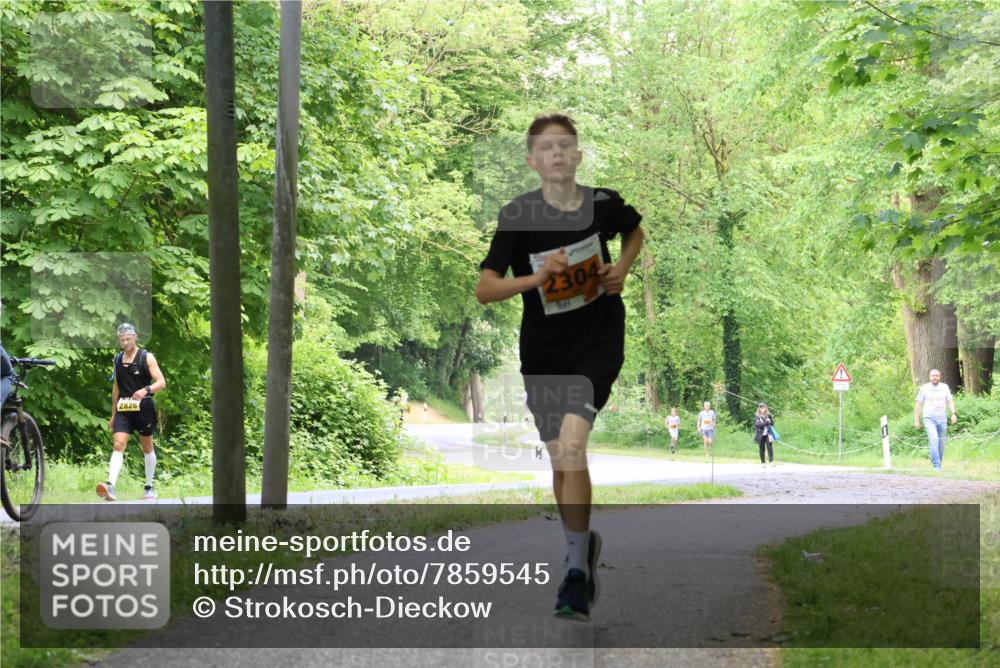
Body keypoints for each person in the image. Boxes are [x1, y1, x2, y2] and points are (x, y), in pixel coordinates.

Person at [476, 113, 644, 620]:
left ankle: (574, 574)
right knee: (560, 459)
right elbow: (486, 289)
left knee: (572, 445)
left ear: (576, 156)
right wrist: (535, 279)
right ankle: (581, 549)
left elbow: (635, 234)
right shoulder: (517, 216)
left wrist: (621, 270)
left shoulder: (603, 205)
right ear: (533, 161)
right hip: (544, 353)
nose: (556, 154)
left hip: (597, 343)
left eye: (564, 146)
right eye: (545, 148)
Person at [98, 323, 166, 502]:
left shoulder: (146, 357)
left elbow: (161, 382)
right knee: (118, 445)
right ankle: (110, 485)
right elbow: (116, 388)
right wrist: (113, 415)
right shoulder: (118, 359)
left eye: (128, 339)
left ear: (135, 337)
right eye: (122, 340)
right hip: (123, 409)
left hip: (143, 407)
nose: (125, 342)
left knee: (147, 447)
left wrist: (146, 390)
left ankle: (149, 487)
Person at [914, 368, 957, 471]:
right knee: (934, 439)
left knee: (941, 444)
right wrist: (916, 419)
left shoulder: (944, 387)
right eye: (933, 375)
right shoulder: (924, 388)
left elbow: (950, 401)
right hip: (929, 418)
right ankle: (937, 466)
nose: (935, 377)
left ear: (940, 377)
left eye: (937, 375)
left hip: (942, 419)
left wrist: (953, 414)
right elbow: (919, 405)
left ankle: (938, 464)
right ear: (930, 377)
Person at [754, 403, 776, 468]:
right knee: (762, 449)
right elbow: (758, 425)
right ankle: (763, 462)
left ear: (765, 408)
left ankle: (771, 461)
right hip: (760, 435)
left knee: (770, 448)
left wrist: (770, 420)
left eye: (763, 407)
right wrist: (766, 422)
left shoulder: (768, 415)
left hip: (768, 434)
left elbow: (772, 424)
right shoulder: (757, 416)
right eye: (761, 408)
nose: (762, 409)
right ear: (759, 409)